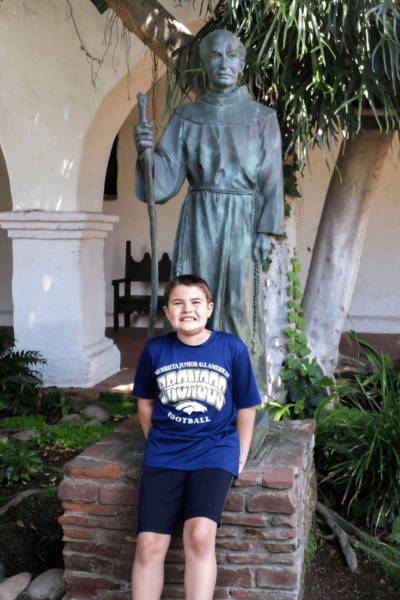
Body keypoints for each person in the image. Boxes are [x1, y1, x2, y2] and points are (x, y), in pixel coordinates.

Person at [134, 30, 285, 395]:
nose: (223, 64)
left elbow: (271, 178)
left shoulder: (262, 117)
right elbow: (165, 178)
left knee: (237, 304)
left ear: (242, 63)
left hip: (242, 221)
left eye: (231, 56)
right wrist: (146, 155)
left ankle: (239, 393)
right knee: (192, 298)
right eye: (215, 56)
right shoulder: (186, 116)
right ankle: (190, 388)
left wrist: (266, 231)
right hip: (200, 217)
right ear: (204, 63)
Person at [132, 274, 261, 600]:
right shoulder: (155, 350)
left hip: (215, 450)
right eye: (178, 303)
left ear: (209, 309)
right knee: (149, 544)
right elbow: (145, 402)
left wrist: (240, 455)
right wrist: (154, 440)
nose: (186, 310)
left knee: (200, 535)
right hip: (165, 453)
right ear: (167, 311)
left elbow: (247, 406)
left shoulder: (231, 347)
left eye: (195, 303)